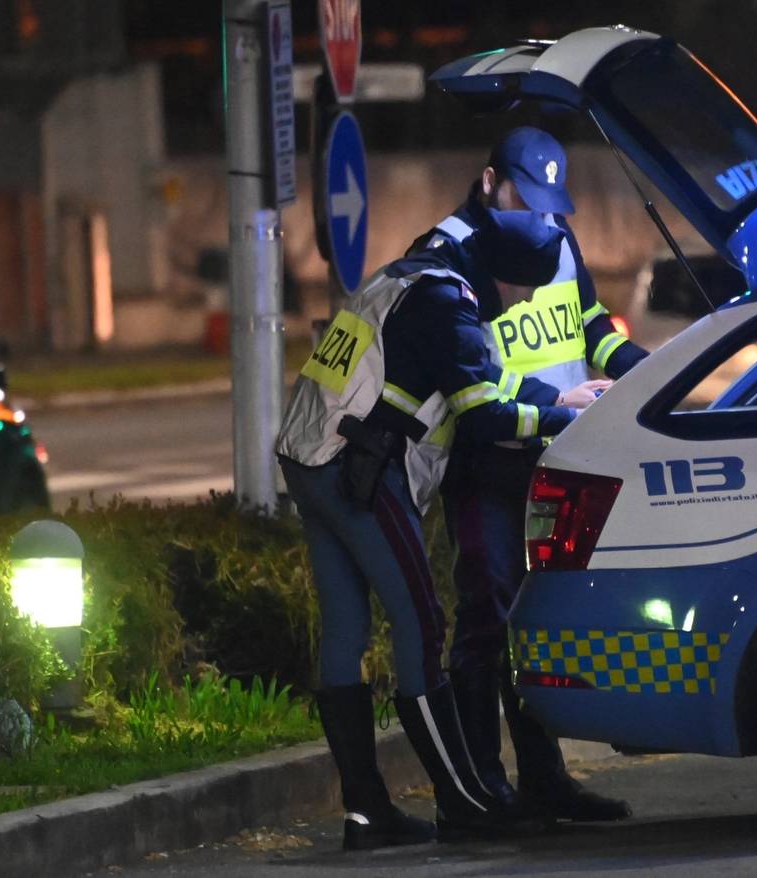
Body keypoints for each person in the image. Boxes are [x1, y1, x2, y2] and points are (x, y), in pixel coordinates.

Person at [277, 208, 608, 850]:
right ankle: (464, 802)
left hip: (313, 458)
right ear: (502, 277)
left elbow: (468, 375)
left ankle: (368, 814)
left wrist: (553, 397)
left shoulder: (409, 277)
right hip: (361, 472)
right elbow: (481, 415)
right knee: (422, 623)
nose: (522, 304)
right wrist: (567, 422)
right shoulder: (448, 300)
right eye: (524, 291)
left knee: (345, 631)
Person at [411, 128, 647, 822]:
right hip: (488, 463)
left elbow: (590, 323)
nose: (540, 213)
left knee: (543, 621)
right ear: (489, 183)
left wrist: (638, 367)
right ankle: (483, 791)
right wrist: (554, 402)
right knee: (487, 619)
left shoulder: (555, 235)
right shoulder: (445, 255)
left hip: (561, 460)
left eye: (549, 200)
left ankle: (545, 782)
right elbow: (462, 366)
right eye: (524, 195)